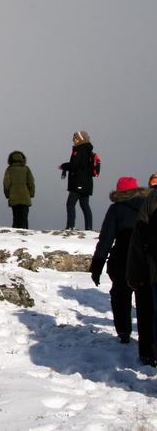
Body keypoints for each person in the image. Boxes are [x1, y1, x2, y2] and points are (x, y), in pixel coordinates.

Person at [91, 177, 154, 366]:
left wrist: (97, 266)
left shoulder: (116, 209)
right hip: (145, 262)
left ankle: (124, 331)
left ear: (119, 192)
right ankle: (147, 349)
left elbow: (106, 239)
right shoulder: (148, 205)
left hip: (121, 261)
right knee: (145, 305)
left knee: (120, 296)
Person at [127, 189, 157, 366]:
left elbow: (138, 239)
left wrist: (134, 272)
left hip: (152, 270)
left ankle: (149, 353)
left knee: (151, 313)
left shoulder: (151, 199)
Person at [60, 131, 98, 230]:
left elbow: (75, 165)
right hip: (87, 183)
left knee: (70, 204)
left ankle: (70, 226)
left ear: (80, 139)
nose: (73, 140)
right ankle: (89, 227)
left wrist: (64, 166)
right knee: (85, 205)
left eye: (75, 138)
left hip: (78, 182)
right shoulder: (88, 150)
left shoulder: (79, 149)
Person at [3, 151, 35, 229]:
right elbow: (31, 182)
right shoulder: (26, 169)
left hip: (14, 197)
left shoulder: (9, 170)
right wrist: (31, 194)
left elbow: (6, 184)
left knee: (16, 217)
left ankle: (16, 234)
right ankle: (25, 233)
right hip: (25, 197)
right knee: (24, 218)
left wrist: (8, 195)